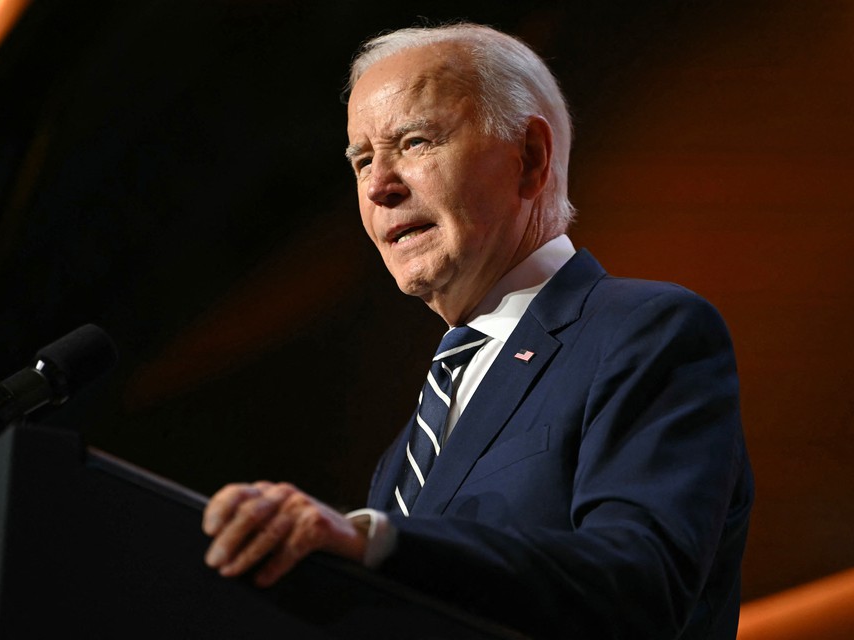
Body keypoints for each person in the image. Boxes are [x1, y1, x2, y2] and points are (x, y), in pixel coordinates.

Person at [202, 23, 753, 639]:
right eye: (362, 159)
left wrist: (375, 540)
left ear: (531, 159)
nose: (379, 186)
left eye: (414, 142)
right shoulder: (406, 452)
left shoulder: (646, 332)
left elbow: (638, 585)